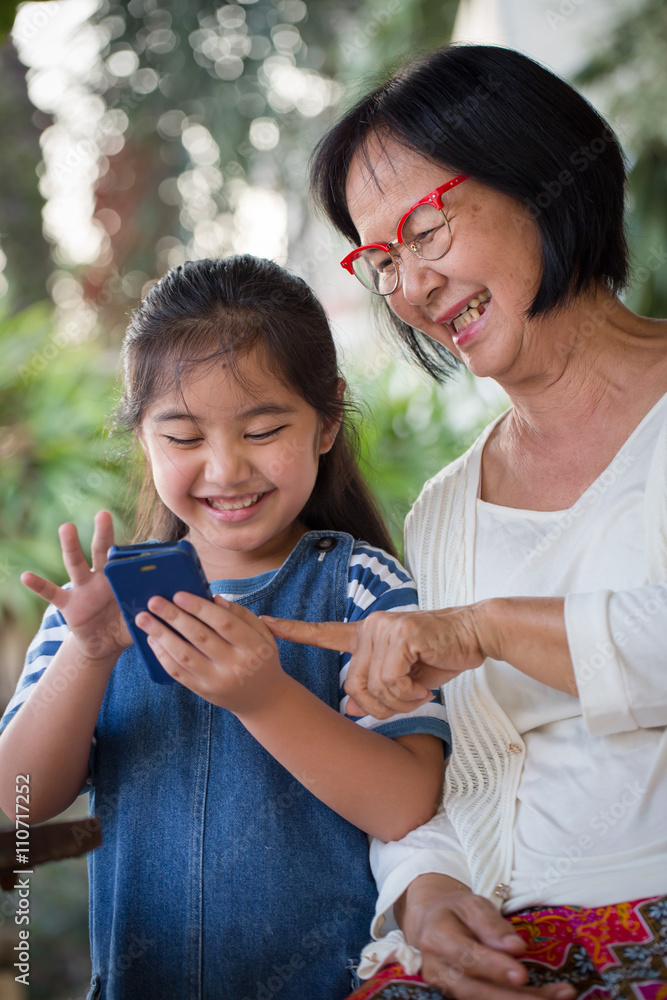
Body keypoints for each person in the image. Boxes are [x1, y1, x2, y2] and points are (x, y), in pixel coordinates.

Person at [262, 44, 667, 1000]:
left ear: (539, 178)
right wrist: (425, 893)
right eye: (383, 258)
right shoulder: (446, 502)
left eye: (426, 228)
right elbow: (451, 763)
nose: (407, 288)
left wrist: (482, 628)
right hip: (498, 942)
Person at [0, 255, 452, 1000]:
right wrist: (86, 655)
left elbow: (406, 803)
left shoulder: (362, 588)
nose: (225, 467)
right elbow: (18, 806)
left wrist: (263, 697)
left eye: (264, 427)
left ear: (327, 421)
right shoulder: (96, 605)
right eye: (182, 437)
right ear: (141, 434)